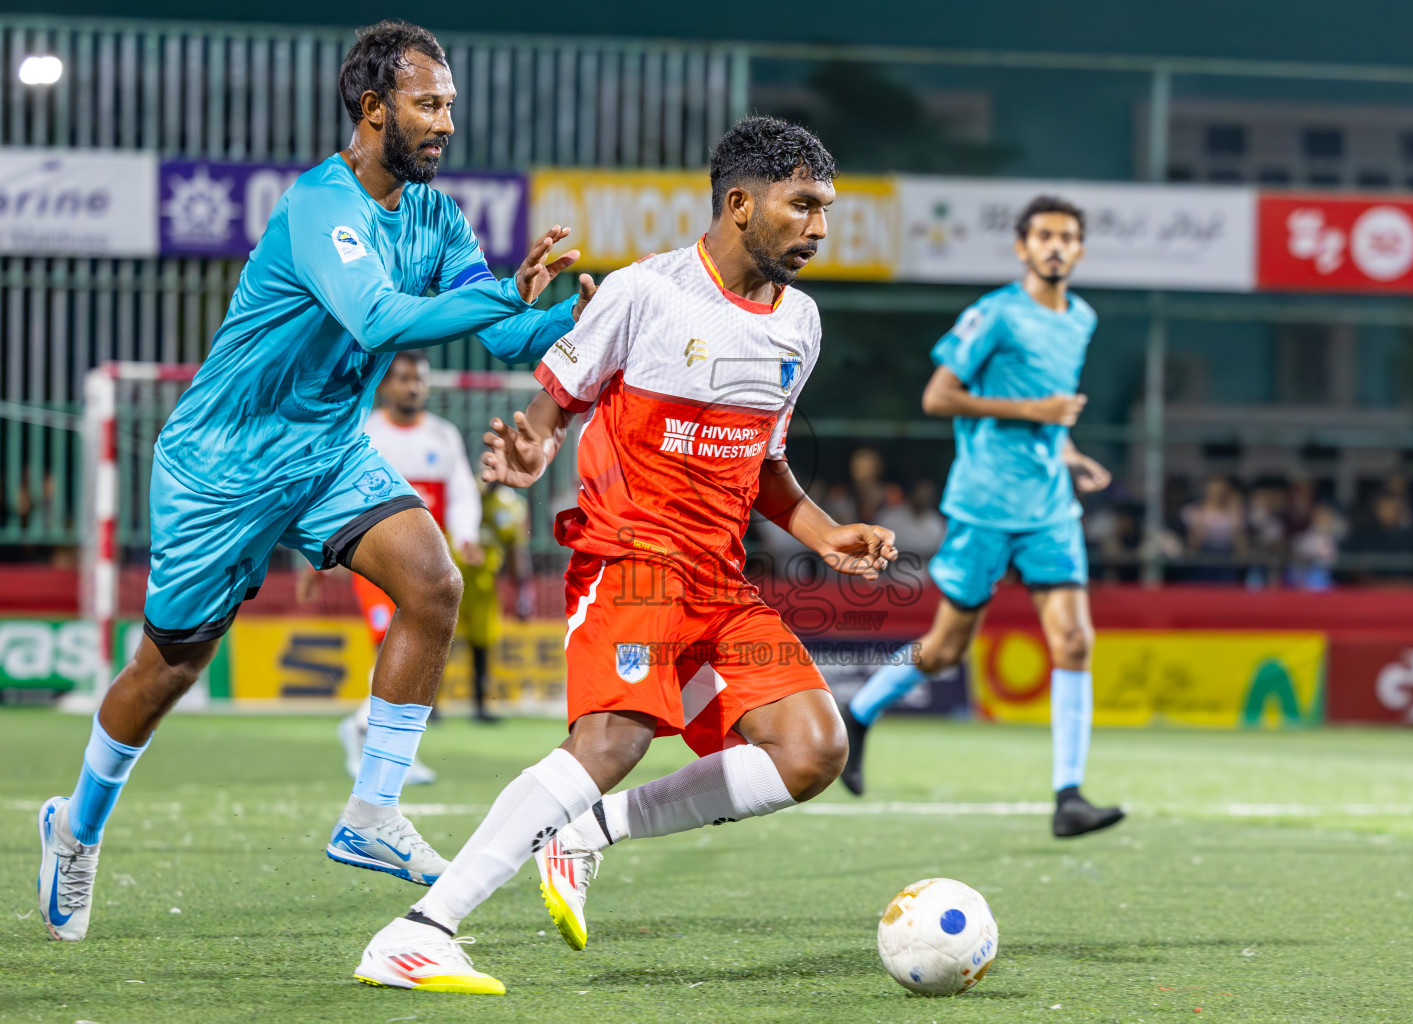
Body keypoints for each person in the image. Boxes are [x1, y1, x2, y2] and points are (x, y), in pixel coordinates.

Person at [36, 20, 597, 942]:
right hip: (223, 465)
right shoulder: (317, 206)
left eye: (451, 105)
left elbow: (502, 337)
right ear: (374, 110)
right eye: (428, 105)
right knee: (169, 665)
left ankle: (372, 812)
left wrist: (569, 321)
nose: (446, 123)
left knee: (433, 583)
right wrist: (507, 295)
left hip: (327, 450)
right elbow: (377, 319)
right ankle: (76, 827)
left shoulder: (438, 215)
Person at [352, 116, 896, 995]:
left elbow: (765, 463)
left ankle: (587, 832)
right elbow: (554, 400)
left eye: (824, 210)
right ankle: (419, 930)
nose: (819, 229)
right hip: (632, 559)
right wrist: (529, 448)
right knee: (612, 736)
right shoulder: (645, 292)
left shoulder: (801, 325)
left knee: (811, 748)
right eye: (803, 207)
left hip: (720, 582)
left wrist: (826, 531)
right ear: (740, 202)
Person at [837, 195, 1124, 840]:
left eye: (1067, 237)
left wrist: (1070, 453)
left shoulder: (1081, 318)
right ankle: (858, 714)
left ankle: (1069, 797)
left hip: (1050, 508)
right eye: (1044, 235)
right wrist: (1038, 416)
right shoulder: (995, 314)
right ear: (1022, 247)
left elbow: (1050, 408)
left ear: (1080, 250)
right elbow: (938, 397)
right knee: (943, 650)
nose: (1055, 246)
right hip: (985, 505)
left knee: (1075, 641)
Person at [328, 349, 482, 781]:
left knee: (414, 644)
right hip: (376, 558)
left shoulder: (442, 436)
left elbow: (462, 492)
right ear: (385, 385)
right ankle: (373, 734)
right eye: (403, 379)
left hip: (429, 562)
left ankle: (374, 735)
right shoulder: (366, 433)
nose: (412, 387)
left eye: (419, 379)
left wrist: (466, 535)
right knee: (393, 641)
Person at [451, 481, 535, 721]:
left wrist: (523, 594)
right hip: (450, 580)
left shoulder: (511, 506)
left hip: (484, 587)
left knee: (482, 645)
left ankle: (480, 706)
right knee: (439, 644)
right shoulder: (463, 491)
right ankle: (429, 707)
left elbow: (516, 550)